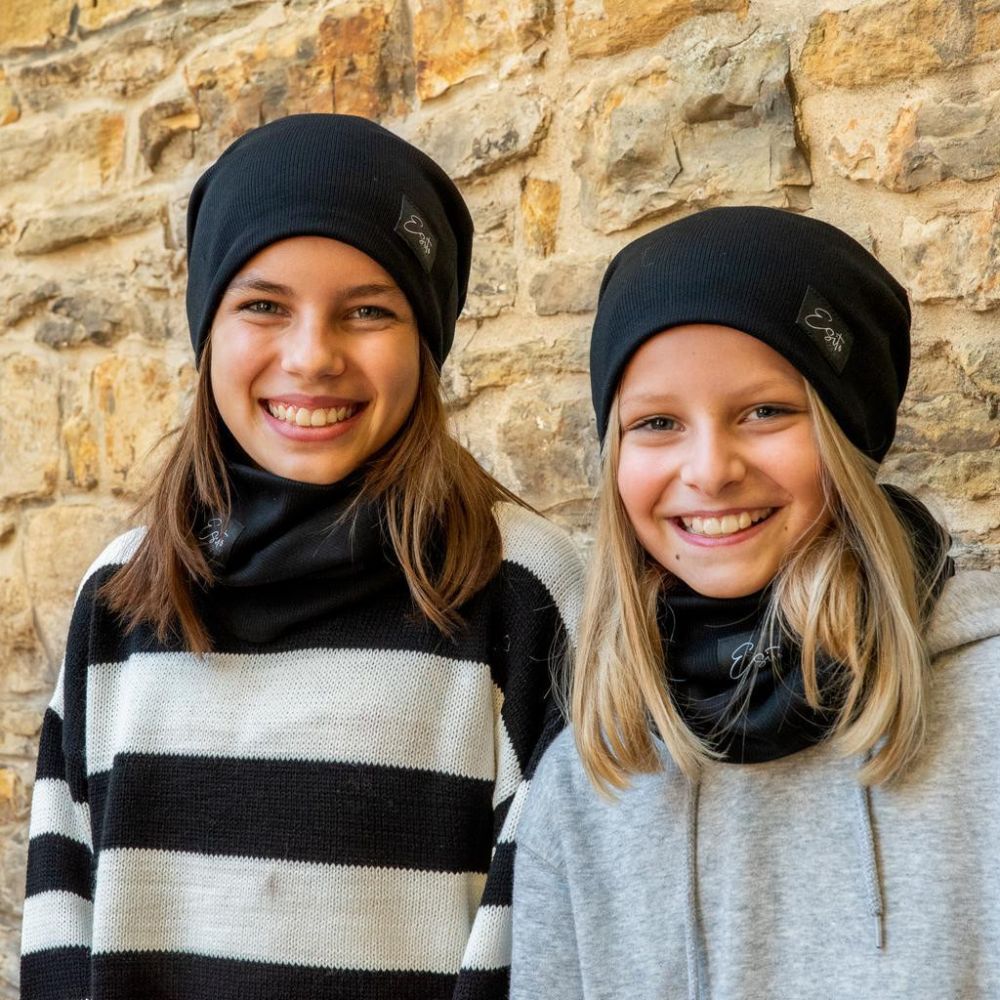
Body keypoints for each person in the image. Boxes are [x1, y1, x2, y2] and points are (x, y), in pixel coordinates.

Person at [21, 114, 582, 1000]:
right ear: (208, 330)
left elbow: (543, 943)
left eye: (368, 311)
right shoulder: (123, 593)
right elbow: (62, 919)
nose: (312, 356)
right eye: (264, 306)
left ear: (427, 341)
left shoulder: (521, 590)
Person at [510, 207, 1000, 1000]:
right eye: (657, 422)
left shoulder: (985, 701)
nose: (710, 470)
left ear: (849, 434)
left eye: (765, 411)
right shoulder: (593, 765)